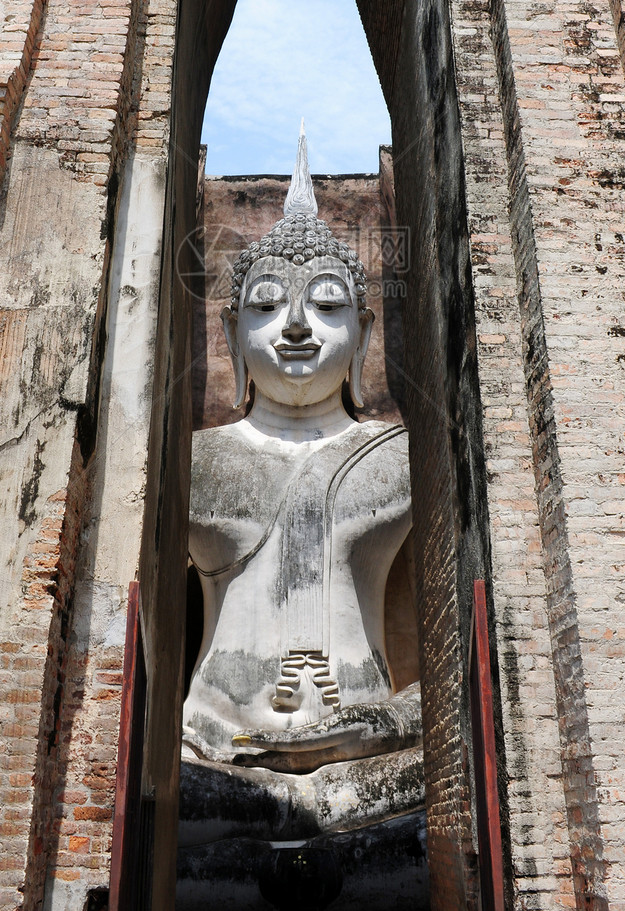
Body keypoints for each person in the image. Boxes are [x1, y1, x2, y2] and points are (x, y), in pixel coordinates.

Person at [179, 129, 424, 872]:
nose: (293, 326)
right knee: (186, 793)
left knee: (430, 785)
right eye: (264, 305)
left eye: (324, 303)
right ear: (228, 331)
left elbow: (448, 679)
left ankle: (310, 815)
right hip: (218, 755)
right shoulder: (193, 463)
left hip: (367, 763)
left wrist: (377, 719)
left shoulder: (403, 460)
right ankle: (281, 813)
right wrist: (204, 733)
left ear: (364, 332)